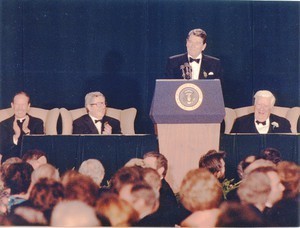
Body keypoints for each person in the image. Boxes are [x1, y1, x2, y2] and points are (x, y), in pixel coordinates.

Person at [0, 92, 44, 162]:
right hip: (11, 164)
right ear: (12, 105)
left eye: (23, 105)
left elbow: (40, 148)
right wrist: (16, 136)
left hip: (30, 162)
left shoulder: (37, 123)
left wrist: (27, 132)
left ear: (28, 106)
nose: (20, 108)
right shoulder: (4, 124)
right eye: (17, 104)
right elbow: (2, 149)